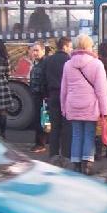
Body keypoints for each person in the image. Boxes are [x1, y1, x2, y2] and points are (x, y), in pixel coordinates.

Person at [60, 34, 107, 175]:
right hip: (90, 106)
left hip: (73, 104)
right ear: (89, 46)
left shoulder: (68, 64)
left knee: (76, 134)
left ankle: (75, 164)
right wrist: (104, 110)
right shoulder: (97, 64)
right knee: (89, 134)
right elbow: (101, 90)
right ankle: (86, 165)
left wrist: (63, 107)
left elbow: (64, 89)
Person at [43, 36, 73, 164]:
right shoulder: (69, 61)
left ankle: (53, 154)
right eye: (70, 47)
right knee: (67, 126)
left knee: (54, 126)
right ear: (65, 46)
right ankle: (66, 154)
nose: (71, 49)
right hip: (66, 96)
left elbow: (43, 79)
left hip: (52, 95)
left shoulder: (48, 60)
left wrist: (46, 94)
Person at [29, 42, 48, 153]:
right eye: (33, 50)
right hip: (37, 95)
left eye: (37, 50)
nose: (35, 53)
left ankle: (40, 144)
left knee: (41, 120)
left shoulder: (45, 63)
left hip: (41, 96)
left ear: (43, 51)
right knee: (41, 120)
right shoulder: (37, 63)